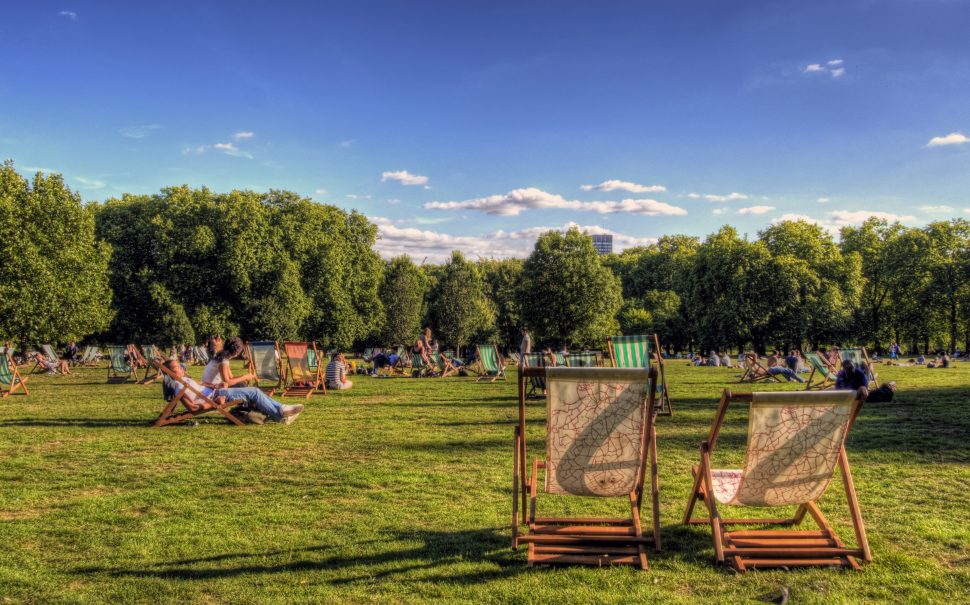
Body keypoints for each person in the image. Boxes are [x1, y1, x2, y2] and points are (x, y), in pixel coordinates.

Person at [163, 359, 303, 424]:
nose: (181, 368)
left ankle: (281, 411)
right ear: (170, 372)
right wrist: (214, 402)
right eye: (177, 368)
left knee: (253, 392)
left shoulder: (184, 380)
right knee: (254, 392)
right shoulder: (179, 386)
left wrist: (215, 385)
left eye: (180, 366)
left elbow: (201, 383)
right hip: (217, 397)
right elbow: (193, 408)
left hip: (217, 392)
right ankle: (280, 414)